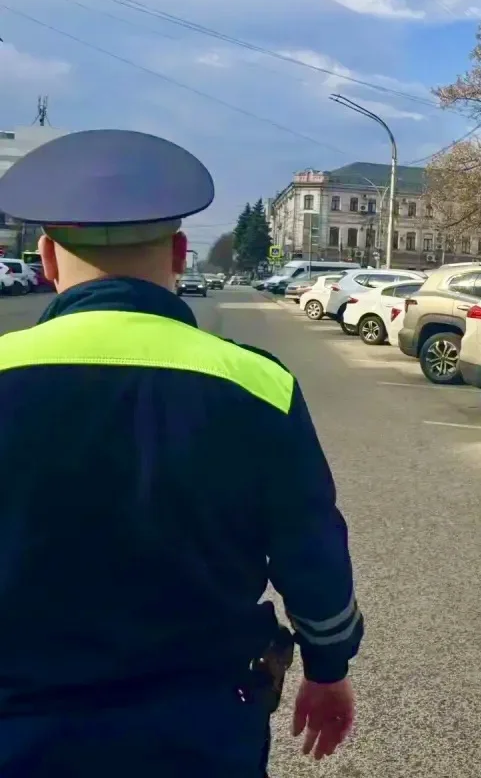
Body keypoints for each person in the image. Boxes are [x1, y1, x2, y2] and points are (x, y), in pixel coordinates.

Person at [0, 130, 363, 776]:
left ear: (48, 259)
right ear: (177, 253)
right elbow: (311, 552)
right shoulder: (259, 384)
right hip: (200, 730)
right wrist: (328, 667)